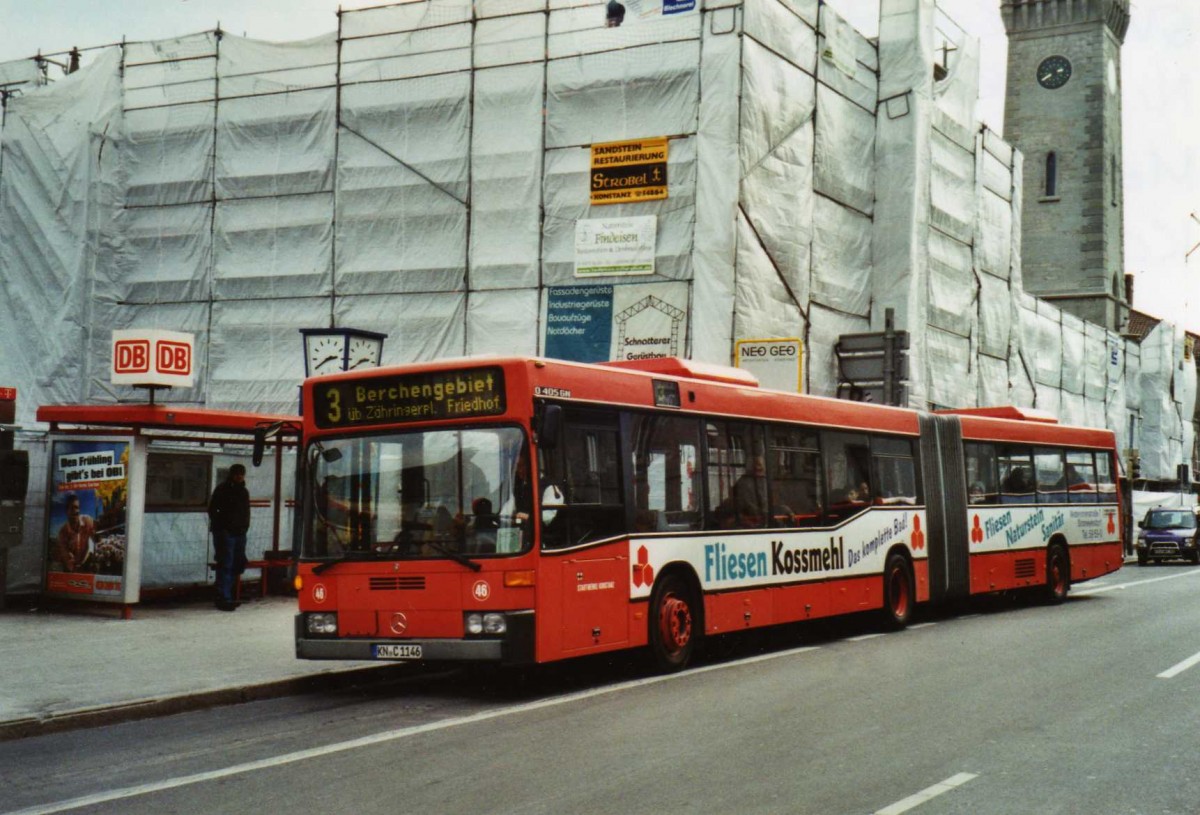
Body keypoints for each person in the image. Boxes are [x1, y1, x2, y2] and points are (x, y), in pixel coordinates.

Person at [209, 463, 250, 611]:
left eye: (241, 474)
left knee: (236, 564)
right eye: (237, 474)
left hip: (238, 532)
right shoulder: (223, 490)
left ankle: (226, 595)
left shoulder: (243, 491)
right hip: (226, 533)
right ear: (232, 475)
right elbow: (213, 510)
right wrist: (222, 528)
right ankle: (224, 597)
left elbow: (245, 512)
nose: (239, 476)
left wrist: (244, 528)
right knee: (226, 563)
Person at [51, 493, 96, 572]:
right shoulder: (63, 533)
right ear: (67, 511)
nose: (76, 511)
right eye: (72, 508)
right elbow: (68, 560)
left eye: (77, 507)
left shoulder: (88, 521)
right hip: (71, 571)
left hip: (87, 564)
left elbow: (95, 538)